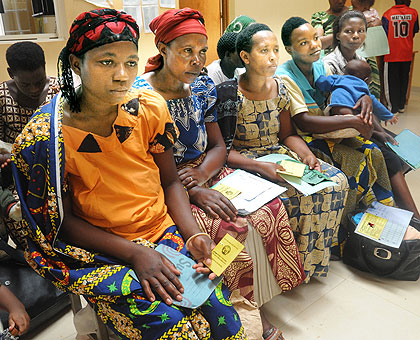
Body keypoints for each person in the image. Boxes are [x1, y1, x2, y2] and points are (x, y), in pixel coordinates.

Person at [12, 8, 245, 340]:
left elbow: (169, 181)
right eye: (107, 62)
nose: (122, 75)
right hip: (104, 250)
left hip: (161, 232)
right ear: (77, 64)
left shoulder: (148, 107)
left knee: (224, 320)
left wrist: (193, 235)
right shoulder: (46, 139)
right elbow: (62, 222)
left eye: (131, 62)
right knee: (175, 330)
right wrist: (135, 253)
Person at [132, 8, 305, 340]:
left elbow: (218, 147)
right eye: (187, 51)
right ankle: (246, 312)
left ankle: (256, 300)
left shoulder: (202, 87)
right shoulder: (144, 98)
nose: (197, 60)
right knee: (230, 228)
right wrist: (195, 190)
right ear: (162, 48)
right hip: (165, 182)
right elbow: (150, 168)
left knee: (268, 208)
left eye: (202, 51)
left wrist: (201, 174)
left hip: (204, 169)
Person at [216, 22, 348, 324]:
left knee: (334, 182)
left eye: (276, 50)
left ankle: (310, 263)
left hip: (278, 154)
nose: (273, 57)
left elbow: (287, 135)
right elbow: (224, 149)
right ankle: (287, 269)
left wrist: (307, 155)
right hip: (245, 162)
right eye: (264, 51)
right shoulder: (229, 93)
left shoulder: (283, 87)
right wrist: (260, 166)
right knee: (286, 194)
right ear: (245, 57)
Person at [276, 17, 395, 255]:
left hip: (333, 131)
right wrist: (351, 120)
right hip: (306, 138)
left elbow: (345, 90)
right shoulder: (284, 76)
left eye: (315, 38)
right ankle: (340, 237)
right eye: (303, 43)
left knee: (374, 152)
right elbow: (303, 121)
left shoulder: (323, 67)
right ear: (289, 49)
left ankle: (380, 220)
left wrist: (363, 98)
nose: (314, 45)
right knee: (355, 163)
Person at [322, 12, 420, 221]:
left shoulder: (362, 59)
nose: (355, 36)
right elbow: (340, 105)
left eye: (361, 31)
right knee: (391, 157)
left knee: (402, 148)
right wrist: (374, 125)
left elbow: (369, 98)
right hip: (344, 124)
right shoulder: (329, 64)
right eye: (349, 31)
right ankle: (413, 217)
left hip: (364, 119)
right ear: (338, 35)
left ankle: (391, 206)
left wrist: (377, 119)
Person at [0, 41, 60, 248]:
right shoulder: (1, 97)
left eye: (39, 81)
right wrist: (11, 157)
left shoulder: (59, 92)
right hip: (14, 178)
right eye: (25, 84)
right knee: (24, 228)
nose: (34, 89)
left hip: (55, 176)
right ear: (11, 73)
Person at [317, 59, 398, 125]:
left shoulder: (338, 79)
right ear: (366, 80)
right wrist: (388, 116)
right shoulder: (362, 87)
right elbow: (377, 105)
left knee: (339, 123)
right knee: (364, 120)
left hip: (335, 108)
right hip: (350, 111)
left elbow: (320, 82)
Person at [382, 0, 419, 113]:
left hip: (392, 54)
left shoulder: (387, 14)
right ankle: (401, 105)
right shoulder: (414, 13)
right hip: (406, 53)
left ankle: (393, 108)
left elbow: (384, 33)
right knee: (404, 80)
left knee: (392, 81)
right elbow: (414, 30)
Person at [350, 0, 383, 100]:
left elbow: (378, 23)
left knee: (373, 80)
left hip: (369, 50)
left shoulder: (372, 12)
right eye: (363, 6)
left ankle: (375, 102)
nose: (365, 9)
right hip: (355, 52)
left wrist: (377, 23)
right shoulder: (349, 13)